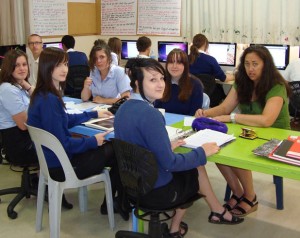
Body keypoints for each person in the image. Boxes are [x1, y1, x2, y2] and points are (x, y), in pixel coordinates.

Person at [115, 58, 243, 237]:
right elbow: (170, 163)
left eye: (162, 78)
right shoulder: (150, 114)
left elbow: (138, 145)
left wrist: (166, 146)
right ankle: (176, 228)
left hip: (132, 184)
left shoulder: (123, 108)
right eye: (152, 80)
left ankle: (216, 211)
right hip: (155, 190)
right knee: (195, 168)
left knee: (193, 162)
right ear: (137, 83)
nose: (160, 84)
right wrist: (202, 152)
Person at [27, 47, 127, 215]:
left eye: (65, 64)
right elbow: (64, 144)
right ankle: (115, 204)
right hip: (63, 167)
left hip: (51, 163)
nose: (64, 69)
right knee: (117, 151)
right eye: (58, 65)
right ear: (46, 67)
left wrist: (93, 113)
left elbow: (63, 120)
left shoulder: (43, 95)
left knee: (112, 152)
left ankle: (115, 203)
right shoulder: (50, 100)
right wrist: (93, 141)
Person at [194, 45, 291, 217]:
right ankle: (238, 193)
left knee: (238, 153)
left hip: (278, 136)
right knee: (218, 148)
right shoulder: (242, 82)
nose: (250, 69)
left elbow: (266, 120)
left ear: (265, 65)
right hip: (250, 131)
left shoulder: (276, 86)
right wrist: (205, 113)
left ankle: (250, 197)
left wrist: (232, 118)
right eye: (247, 64)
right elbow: (225, 107)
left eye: (255, 64)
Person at [0, 49, 72, 209]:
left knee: (59, 134)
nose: (22, 68)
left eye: (24, 64)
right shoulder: (8, 89)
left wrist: (26, 85)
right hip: (19, 144)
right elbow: (24, 124)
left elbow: (37, 98)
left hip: (25, 138)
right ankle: (51, 185)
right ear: (8, 68)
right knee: (59, 144)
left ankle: (42, 181)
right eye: (16, 65)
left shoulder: (18, 87)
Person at [189, 34, 234, 107]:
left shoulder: (185, 59)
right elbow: (224, 78)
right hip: (207, 96)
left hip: (189, 94)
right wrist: (234, 76)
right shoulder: (210, 60)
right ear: (205, 44)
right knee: (219, 88)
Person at [154, 48, 204, 116]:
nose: (174, 66)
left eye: (179, 62)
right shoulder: (161, 81)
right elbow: (157, 109)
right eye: (171, 62)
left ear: (185, 65)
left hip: (185, 124)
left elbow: (194, 114)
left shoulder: (196, 84)